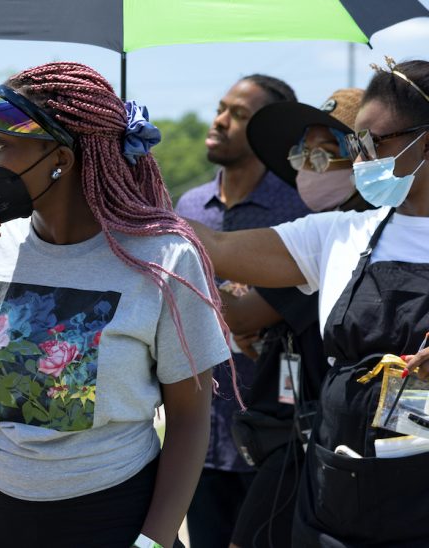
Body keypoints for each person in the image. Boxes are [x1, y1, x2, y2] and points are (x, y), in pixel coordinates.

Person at [0, 62, 231, 548]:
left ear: (60, 158)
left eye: (2, 145)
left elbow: (190, 419)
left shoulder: (163, 258)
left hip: (113, 514)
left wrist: (154, 539)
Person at [188, 58, 429, 547]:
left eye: (373, 143)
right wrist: (125, 195)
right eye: (353, 144)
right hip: (338, 489)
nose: (359, 158)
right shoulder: (342, 234)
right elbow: (217, 249)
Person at [221, 88, 370, 548]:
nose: (308, 167)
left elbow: (242, 316)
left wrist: (218, 291)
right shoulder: (317, 233)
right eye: (303, 153)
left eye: (325, 156)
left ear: (365, 161)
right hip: (289, 438)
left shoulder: (347, 238)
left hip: (310, 449)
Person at [173, 74, 309, 548]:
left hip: (274, 438)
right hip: (196, 442)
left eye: (241, 115)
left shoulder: (299, 212)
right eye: (221, 107)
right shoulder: (189, 206)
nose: (221, 121)